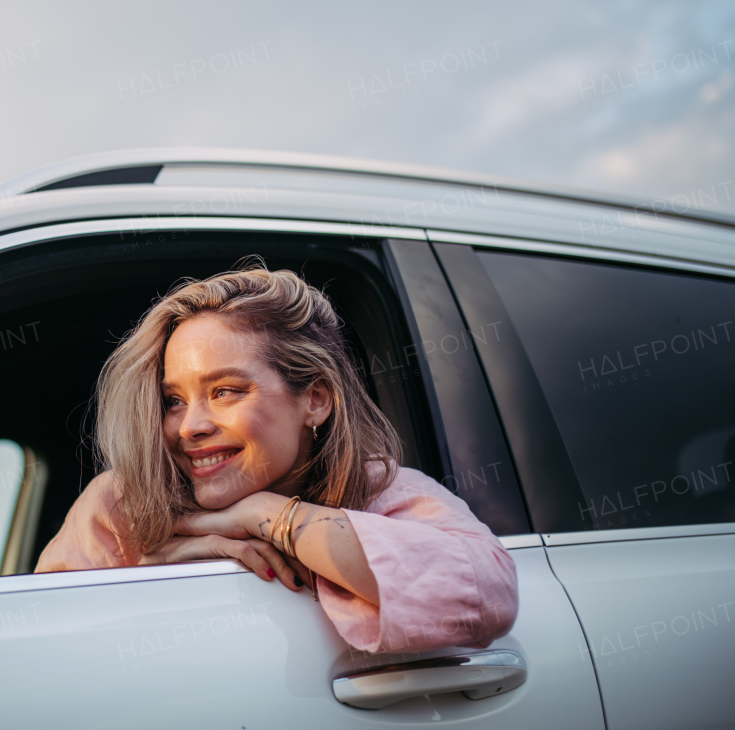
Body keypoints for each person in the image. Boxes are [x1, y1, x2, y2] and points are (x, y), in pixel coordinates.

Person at [35, 262, 518, 655]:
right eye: (173, 401)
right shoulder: (124, 504)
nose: (189, 427)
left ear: (316, 400)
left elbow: (488, 594)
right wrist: (151, 575)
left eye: (225, 391)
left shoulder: (383, 490)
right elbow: (36, 654)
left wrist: (269, 515)